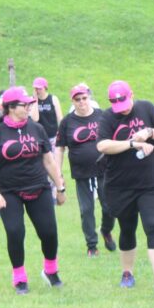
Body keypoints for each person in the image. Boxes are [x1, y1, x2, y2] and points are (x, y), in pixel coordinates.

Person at [0, 87, 67, 294]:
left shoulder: (36, 129)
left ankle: (50, 270)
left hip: (39, 188)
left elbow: (48, 160)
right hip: (9, 191)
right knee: (15, 232)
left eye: (30, 103)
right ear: (11, 107)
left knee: (49, 232)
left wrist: (60, 186)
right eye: (25, 104)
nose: (29, 107)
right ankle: (19, 278)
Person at [97, 80, 154, 294]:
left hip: (151, 183)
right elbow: (102, 145)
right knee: (127, 228)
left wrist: (148, 132)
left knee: (153, 225)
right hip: (121, 185)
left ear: (132, 95)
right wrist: (132, 143)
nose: (123, 108)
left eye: (126, 102)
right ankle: (127, 273)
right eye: (117, 104)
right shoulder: (108, 117)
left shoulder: (146, 108)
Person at [55, 84, 116, 256]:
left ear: (89, 97)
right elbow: (59, 148)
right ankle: (92, 246)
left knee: (109, 207)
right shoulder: (67, 122)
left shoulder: (102, 116)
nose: (81, 102)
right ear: (72, 101)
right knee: (86, 210)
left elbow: (114, 140)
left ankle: (106, 230)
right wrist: (58, 173)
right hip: (82, 173)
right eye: (77, 99)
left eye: (84, 98)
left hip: (105, 169)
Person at [33, 77, 63, 146]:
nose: (38, 91)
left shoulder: (53, 99)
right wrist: (35, 100)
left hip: (53, 136)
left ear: (45, 88)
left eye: (40, 89)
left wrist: (61, 133)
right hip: (39, 136)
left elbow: (60, 118)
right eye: (36, 89)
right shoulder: (33, 101)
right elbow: (34, 119)